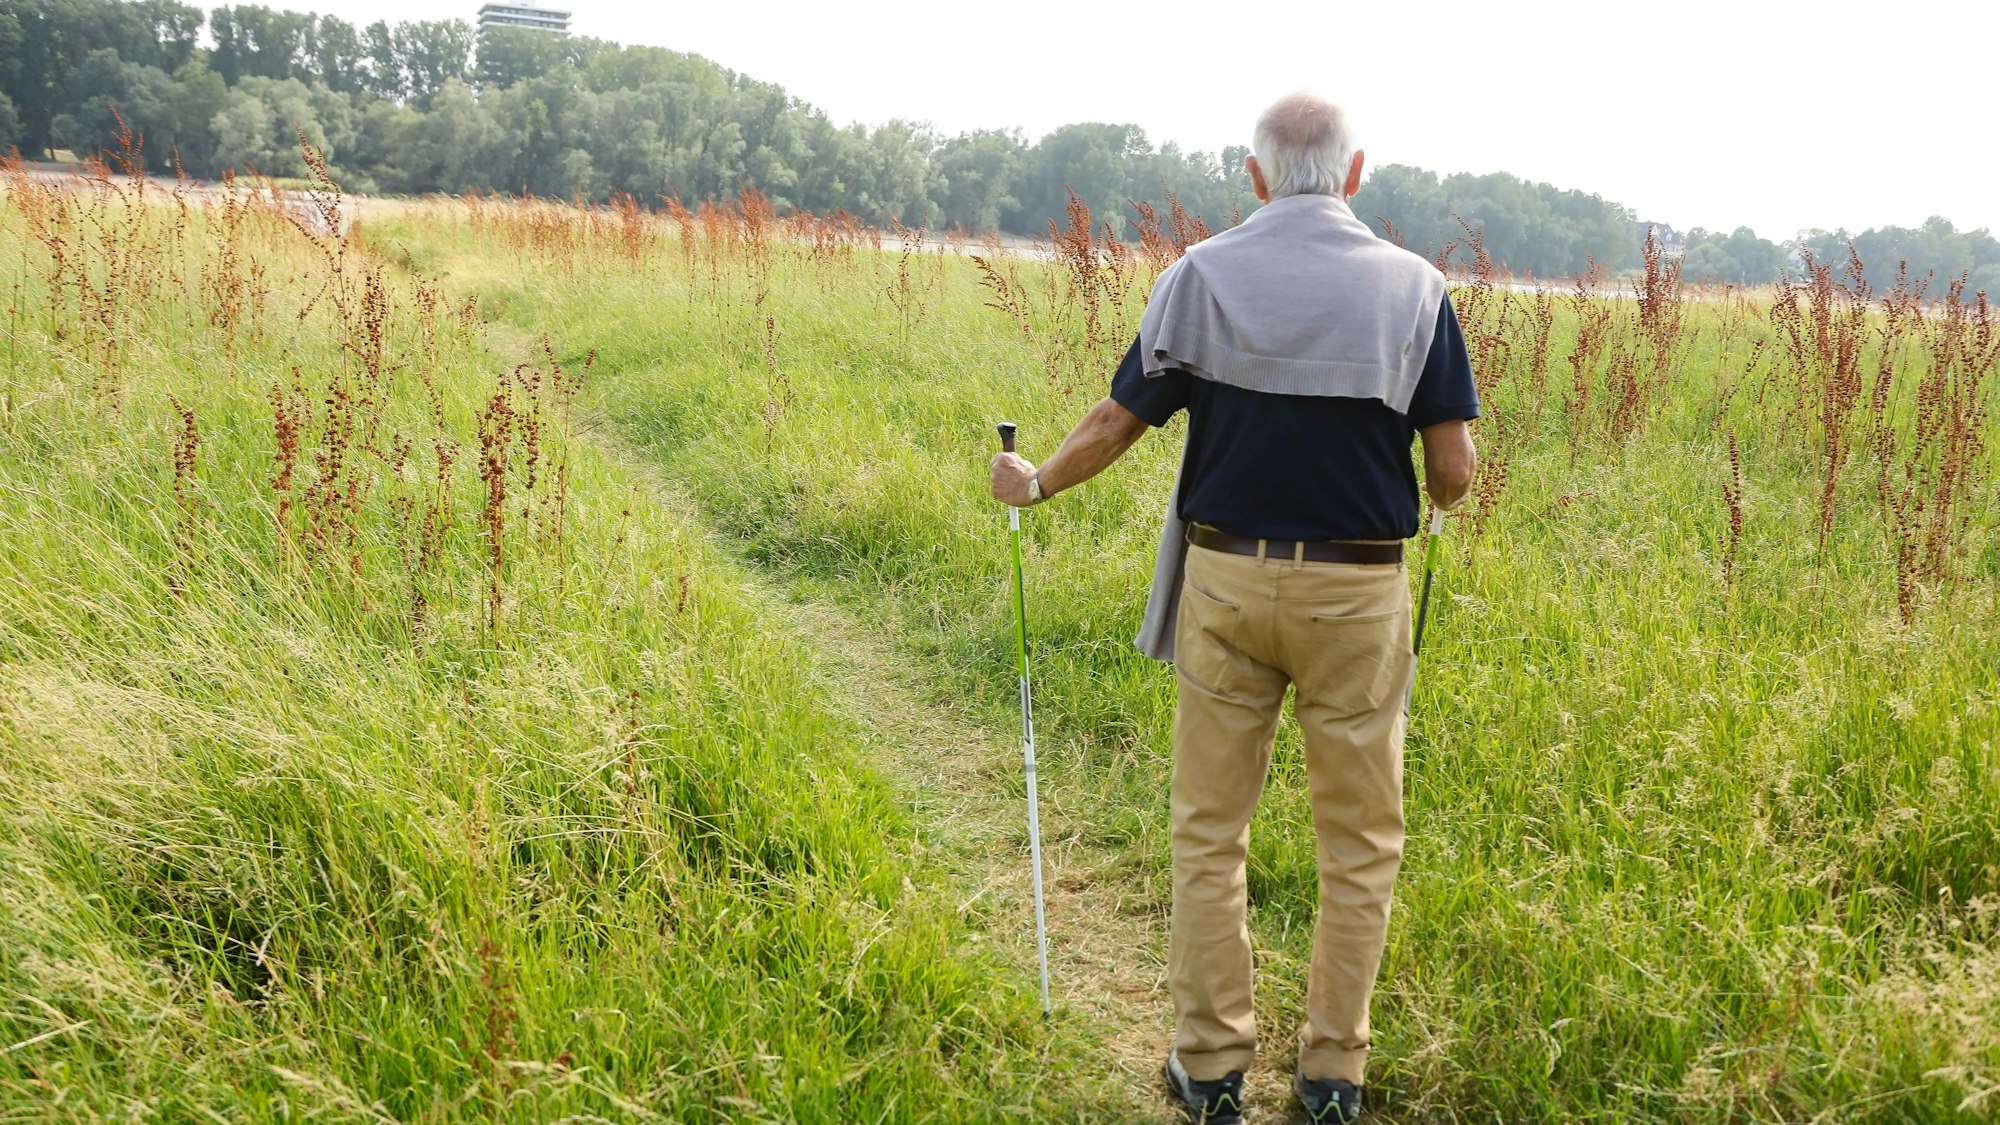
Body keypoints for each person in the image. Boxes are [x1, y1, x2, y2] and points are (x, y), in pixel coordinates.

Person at [988, 91, 1478, 1123]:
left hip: (1224, 583)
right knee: (1359, 845)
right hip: (1357, 596)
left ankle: (1209, 1068)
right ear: (1352, 175)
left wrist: (1032, 484)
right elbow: (1450, 475)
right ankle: (1330, 1077)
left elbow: (1117, 421)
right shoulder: (1417, 290)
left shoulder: (1197, 276)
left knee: (1210, 831)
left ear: (1254, 176)